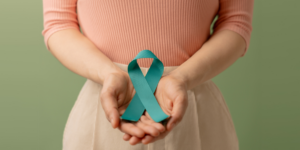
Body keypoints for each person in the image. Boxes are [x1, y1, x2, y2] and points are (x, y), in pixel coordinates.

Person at [42, 0, 254, 149]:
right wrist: (108, 74)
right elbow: (58, 22)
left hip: (191, 104)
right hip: (107, 102)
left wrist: (182, 78)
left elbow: (235, 21)